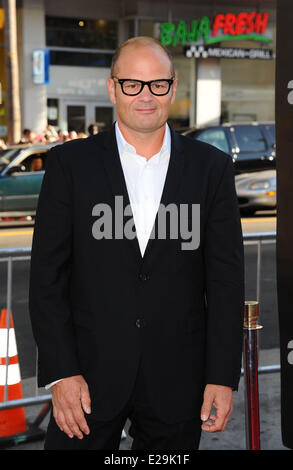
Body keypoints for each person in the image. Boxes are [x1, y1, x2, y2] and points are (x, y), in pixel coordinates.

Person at [29, 36, 244, 451]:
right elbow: (46, 279)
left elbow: (225, 282)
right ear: (113, 88)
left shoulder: (211, 169)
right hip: (85, 380)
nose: (145, 96)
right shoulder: (69, 165)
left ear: (173, 88)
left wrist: (220, 376)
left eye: (157, 84)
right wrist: (61, 373)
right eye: (132, 84)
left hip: (178, 382)